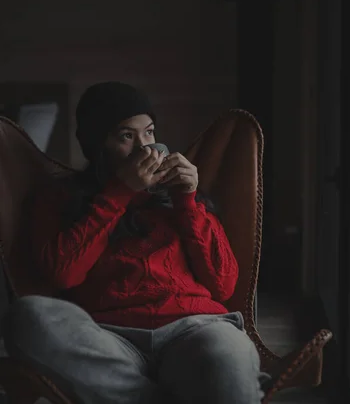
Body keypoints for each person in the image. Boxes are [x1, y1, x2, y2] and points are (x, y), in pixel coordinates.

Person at [3, 82, 271, 404]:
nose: (146, 149)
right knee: (28, 316)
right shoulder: (58, 198)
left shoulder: (182, 197)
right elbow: (63, 273)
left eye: (149, 132)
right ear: (96, 145)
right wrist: (119, 193)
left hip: (194, 329)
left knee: (229, 357)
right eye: (126, 136)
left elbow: (224, 284)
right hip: (108, 339)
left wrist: (186, 201)